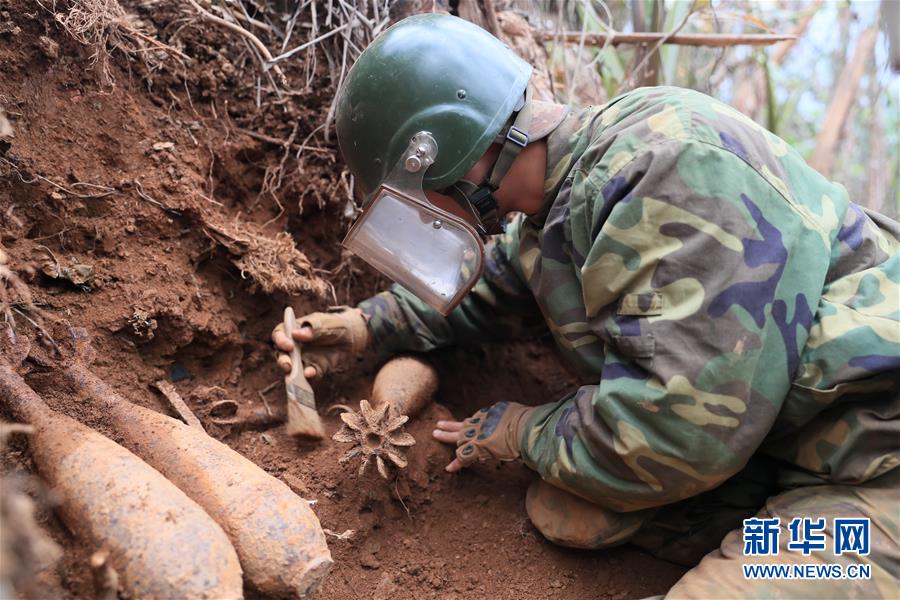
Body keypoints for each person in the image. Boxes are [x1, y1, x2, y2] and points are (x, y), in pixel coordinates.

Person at [272, 14, 899, 597]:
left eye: (416, 199)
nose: (425, 217)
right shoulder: (566, 199)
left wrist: (521, 432)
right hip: (784, 452)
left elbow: (671, 435)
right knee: (571, 510)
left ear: (449, 156)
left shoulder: (671, 171)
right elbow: (489, 288)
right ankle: (765, 540)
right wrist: (363, 328)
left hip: (875, 472)